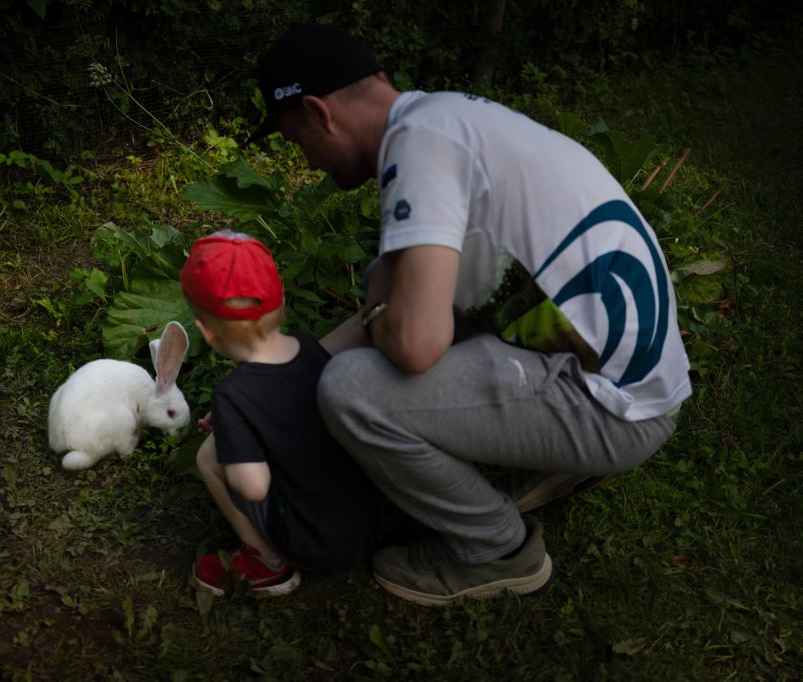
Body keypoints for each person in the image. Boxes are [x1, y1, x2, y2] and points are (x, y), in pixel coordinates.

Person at [247, 23, 692, 607]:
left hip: (614, 407)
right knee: (396, 289)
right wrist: (275, 387)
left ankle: (497, 549)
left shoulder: (417, 151)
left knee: (351, 389)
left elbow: (415, 345)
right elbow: (416, 301)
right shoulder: (443, 120)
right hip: (631, 377)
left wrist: (379, 301)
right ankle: (535, 462)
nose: (305, 160)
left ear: (317, 113)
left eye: (295, 140)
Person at [180, 230, 378, 596]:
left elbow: (253, 487)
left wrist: (234, 439)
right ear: (282, 299)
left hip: (313, 542)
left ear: (205, 331)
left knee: (209, 455)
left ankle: (266, 563)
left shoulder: (233, 396)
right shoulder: (308, 346)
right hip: (366, 513)